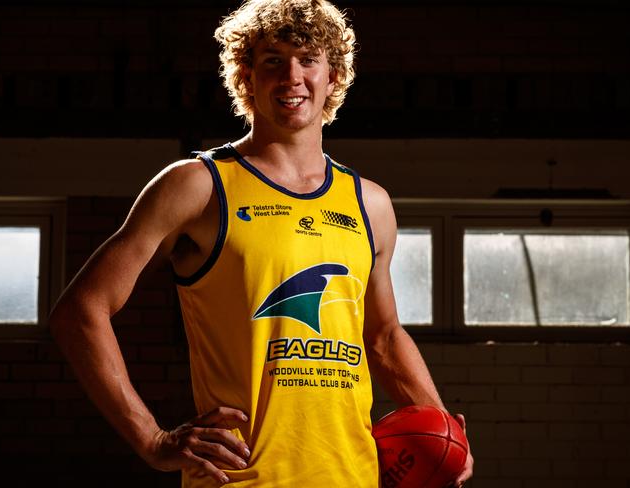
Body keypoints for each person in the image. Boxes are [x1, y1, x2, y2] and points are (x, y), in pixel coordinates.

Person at [49, 0, 474, 486]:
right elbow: (80, 311)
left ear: (332, 77)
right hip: (242, 479)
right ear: (246, 77)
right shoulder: (198, 186)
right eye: (273, 61)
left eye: (308, 59)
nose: (292, 76)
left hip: (353, 476)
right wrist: (152, 439)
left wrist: (443, 430)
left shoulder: (369, 203)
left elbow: (382, 336)